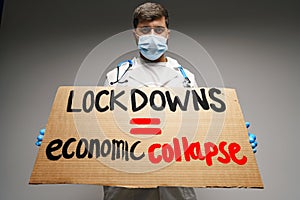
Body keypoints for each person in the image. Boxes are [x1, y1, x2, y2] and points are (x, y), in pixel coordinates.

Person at [35, 2, 258, 200]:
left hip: (176, 185)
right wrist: (61, 135)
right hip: (126, 185)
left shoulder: (186, 76)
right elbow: (98, 122)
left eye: (158, 29)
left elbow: (199, 124)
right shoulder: (116, 76)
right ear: (135, 34)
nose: (152, 35)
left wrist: (234, 138)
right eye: (145, 30)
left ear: (168, 33)